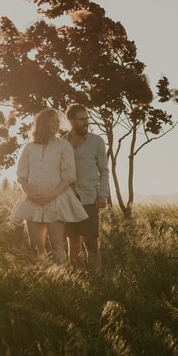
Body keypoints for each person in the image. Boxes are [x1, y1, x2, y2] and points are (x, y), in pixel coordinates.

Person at [10, 108, 88, 262]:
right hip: (33, 200)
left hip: (55, 200)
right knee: (36, 245)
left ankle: (62, 279)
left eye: (57, 121)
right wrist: (29, 194)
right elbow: (21, 176)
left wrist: (52, 195)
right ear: (43, 123)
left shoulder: (63, 146)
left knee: (57, 244)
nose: (56, 124)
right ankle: (44, 278)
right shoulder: (29, 147)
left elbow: (69, 176)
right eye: (52, 121)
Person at [63, 103, 110, 270]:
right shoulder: (62, 144)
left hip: (90, 198)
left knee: (91, 242)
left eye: (87, 119)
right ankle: (80, 283)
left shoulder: (96, 141)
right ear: (71, 121)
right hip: (68, 200)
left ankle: (96, 279)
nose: (86, 122)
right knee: (73, 243)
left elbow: (104, 170)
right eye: (81, 119)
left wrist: (103, 194)